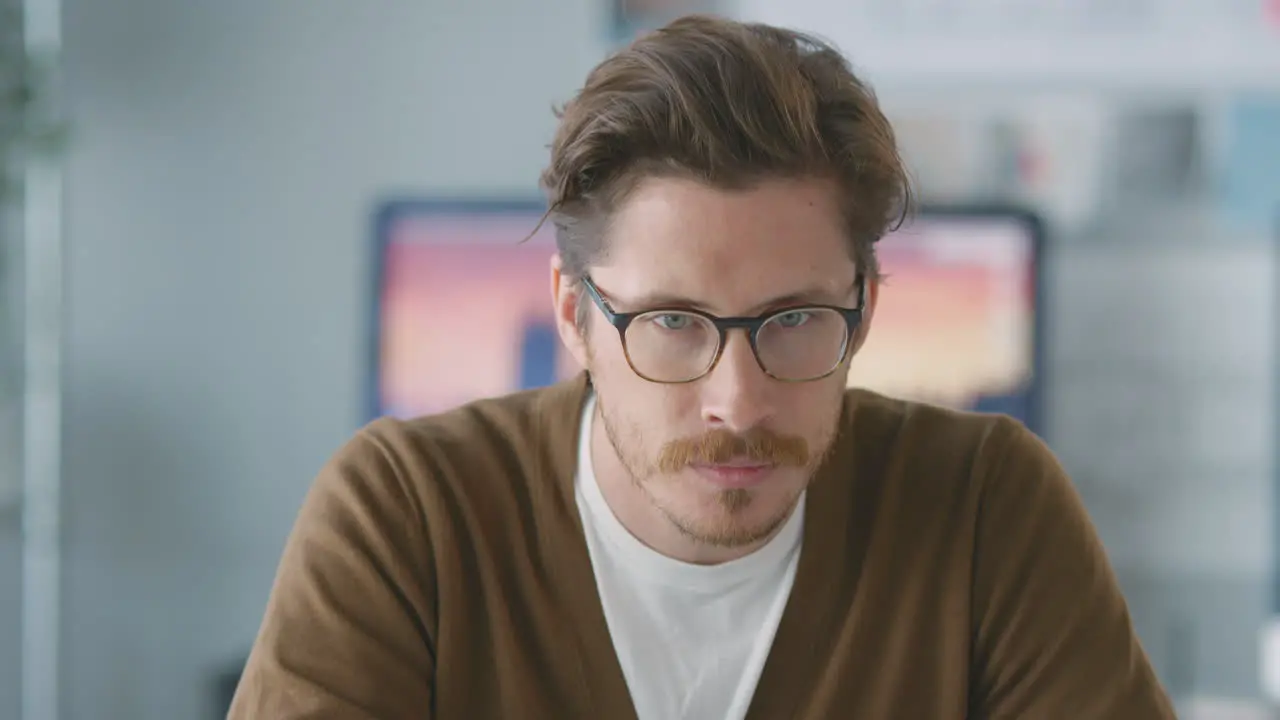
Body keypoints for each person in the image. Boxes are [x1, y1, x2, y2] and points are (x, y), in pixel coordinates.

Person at [229, 14, 1175, 719]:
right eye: (674, 323)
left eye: (796, 319)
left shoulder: (982, 509)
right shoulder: (408, 515)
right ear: (574, 316)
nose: (738, 399)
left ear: (866, 307)